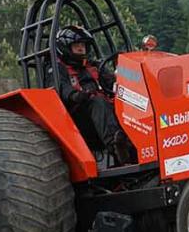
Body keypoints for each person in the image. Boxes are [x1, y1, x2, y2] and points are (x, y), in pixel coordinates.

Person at [53, 25, 131, 165]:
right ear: (65, 47)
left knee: (127, 102)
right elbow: (62, 87)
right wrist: (75, 95)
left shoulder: (94, 66)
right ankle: (116, 145)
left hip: (102, 110)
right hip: (77, 119)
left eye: (83, 44)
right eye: (76, 45)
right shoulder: (57, 68)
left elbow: (112, 80)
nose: (81, 48)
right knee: (98, 102)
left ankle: (137, 145)